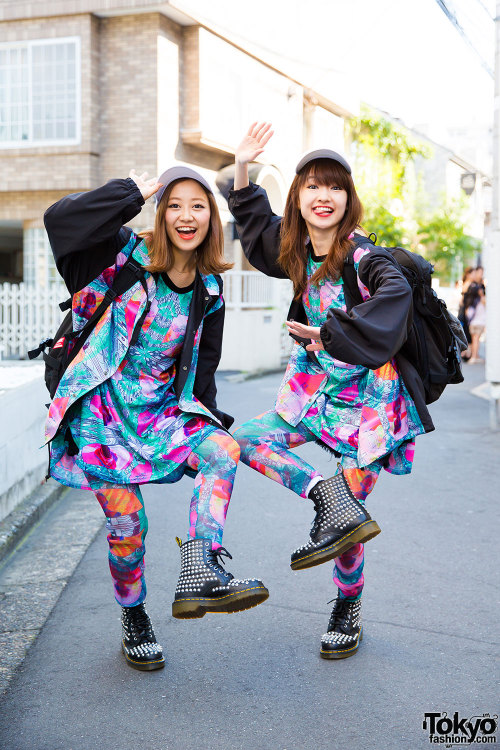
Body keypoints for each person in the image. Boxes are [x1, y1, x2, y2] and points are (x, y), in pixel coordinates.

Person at [43, 166, 269, 671]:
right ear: (161, 212)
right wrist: (131, 193)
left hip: (163, 414)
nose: (186, 216)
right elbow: (59, 221)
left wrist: (206, 427)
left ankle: (201, 566)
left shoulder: (209, 290)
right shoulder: (119, 257)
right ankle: (134, 615)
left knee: (223, 450)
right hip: (101, 420)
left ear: (212, 218)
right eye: (175, 204)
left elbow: (201, 372)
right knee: (130, 526)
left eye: (198, 205)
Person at [228, 123, 433, 659]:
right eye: (313, 186)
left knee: (347, 532)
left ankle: (347, 608)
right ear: (298, 196)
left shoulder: (362, 256)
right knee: (238, 442)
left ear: (349, 199)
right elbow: (255, 230)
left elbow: (396, 291)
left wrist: (333, 333)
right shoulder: (294, 250)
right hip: (313, 393)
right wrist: (244, 167)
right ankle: (326, 495)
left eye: (336, 187)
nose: (324, 196)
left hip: (370, 404)